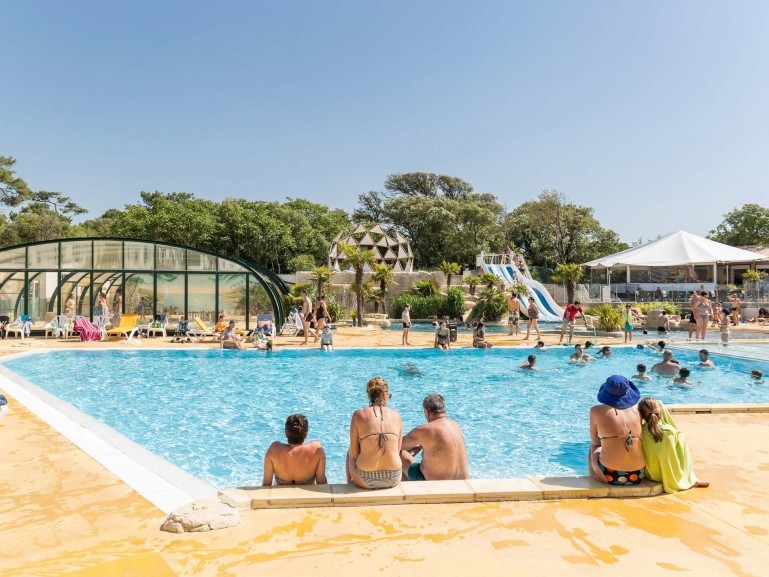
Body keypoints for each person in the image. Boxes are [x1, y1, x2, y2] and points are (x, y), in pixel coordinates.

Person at [638, 397, 709, 493]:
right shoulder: (670, 431)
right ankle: (691, 477)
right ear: (661, 412)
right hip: (671, 476)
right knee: (681, 436)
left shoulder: (640, 432)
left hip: (651, 475)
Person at [347, 377, 403, 490]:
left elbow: (355, 455)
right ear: (384, 395)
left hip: (365, 478)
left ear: (370, 395)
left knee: (349, 452)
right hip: (393, 477)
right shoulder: (397, 416)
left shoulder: (358, 415)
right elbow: (397, 450)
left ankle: (349, 485)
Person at [589, 375, 645, 486]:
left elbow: (595, 441)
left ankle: (592, 478)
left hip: (609, 474)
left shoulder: (596, 410)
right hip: (638, 474)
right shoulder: (638, 411)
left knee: (593, 445)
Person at [400, 394, 468, 481]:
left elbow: (398, 445)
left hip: (435, 485)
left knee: (398, 454)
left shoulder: (425, 430)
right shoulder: (456, 425)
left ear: (426, 412)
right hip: (462, 482)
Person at [262, 414, 327, 486]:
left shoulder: (274, 449)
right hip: (306, 493)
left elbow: (266, 483)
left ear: (285, 434)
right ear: (306, 435)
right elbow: (321, 482)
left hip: (282, 492)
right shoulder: (316, 449)